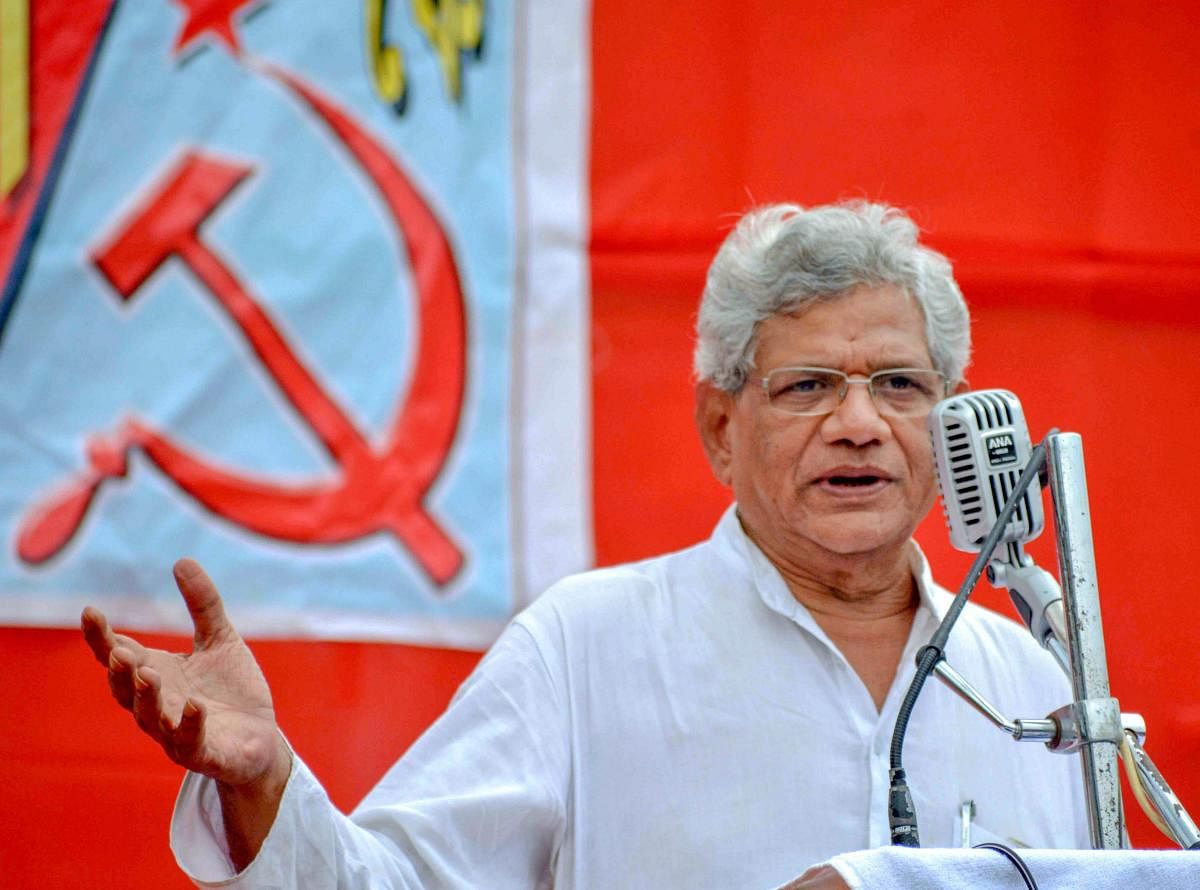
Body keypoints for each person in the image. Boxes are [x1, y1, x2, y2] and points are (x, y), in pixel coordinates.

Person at [82, 201, 1088, 888]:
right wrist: (263, 779)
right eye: (810, 385)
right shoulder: (587, 646)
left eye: (900, 386)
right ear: (720, 428)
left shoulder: (1033, 685)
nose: (862, 422)